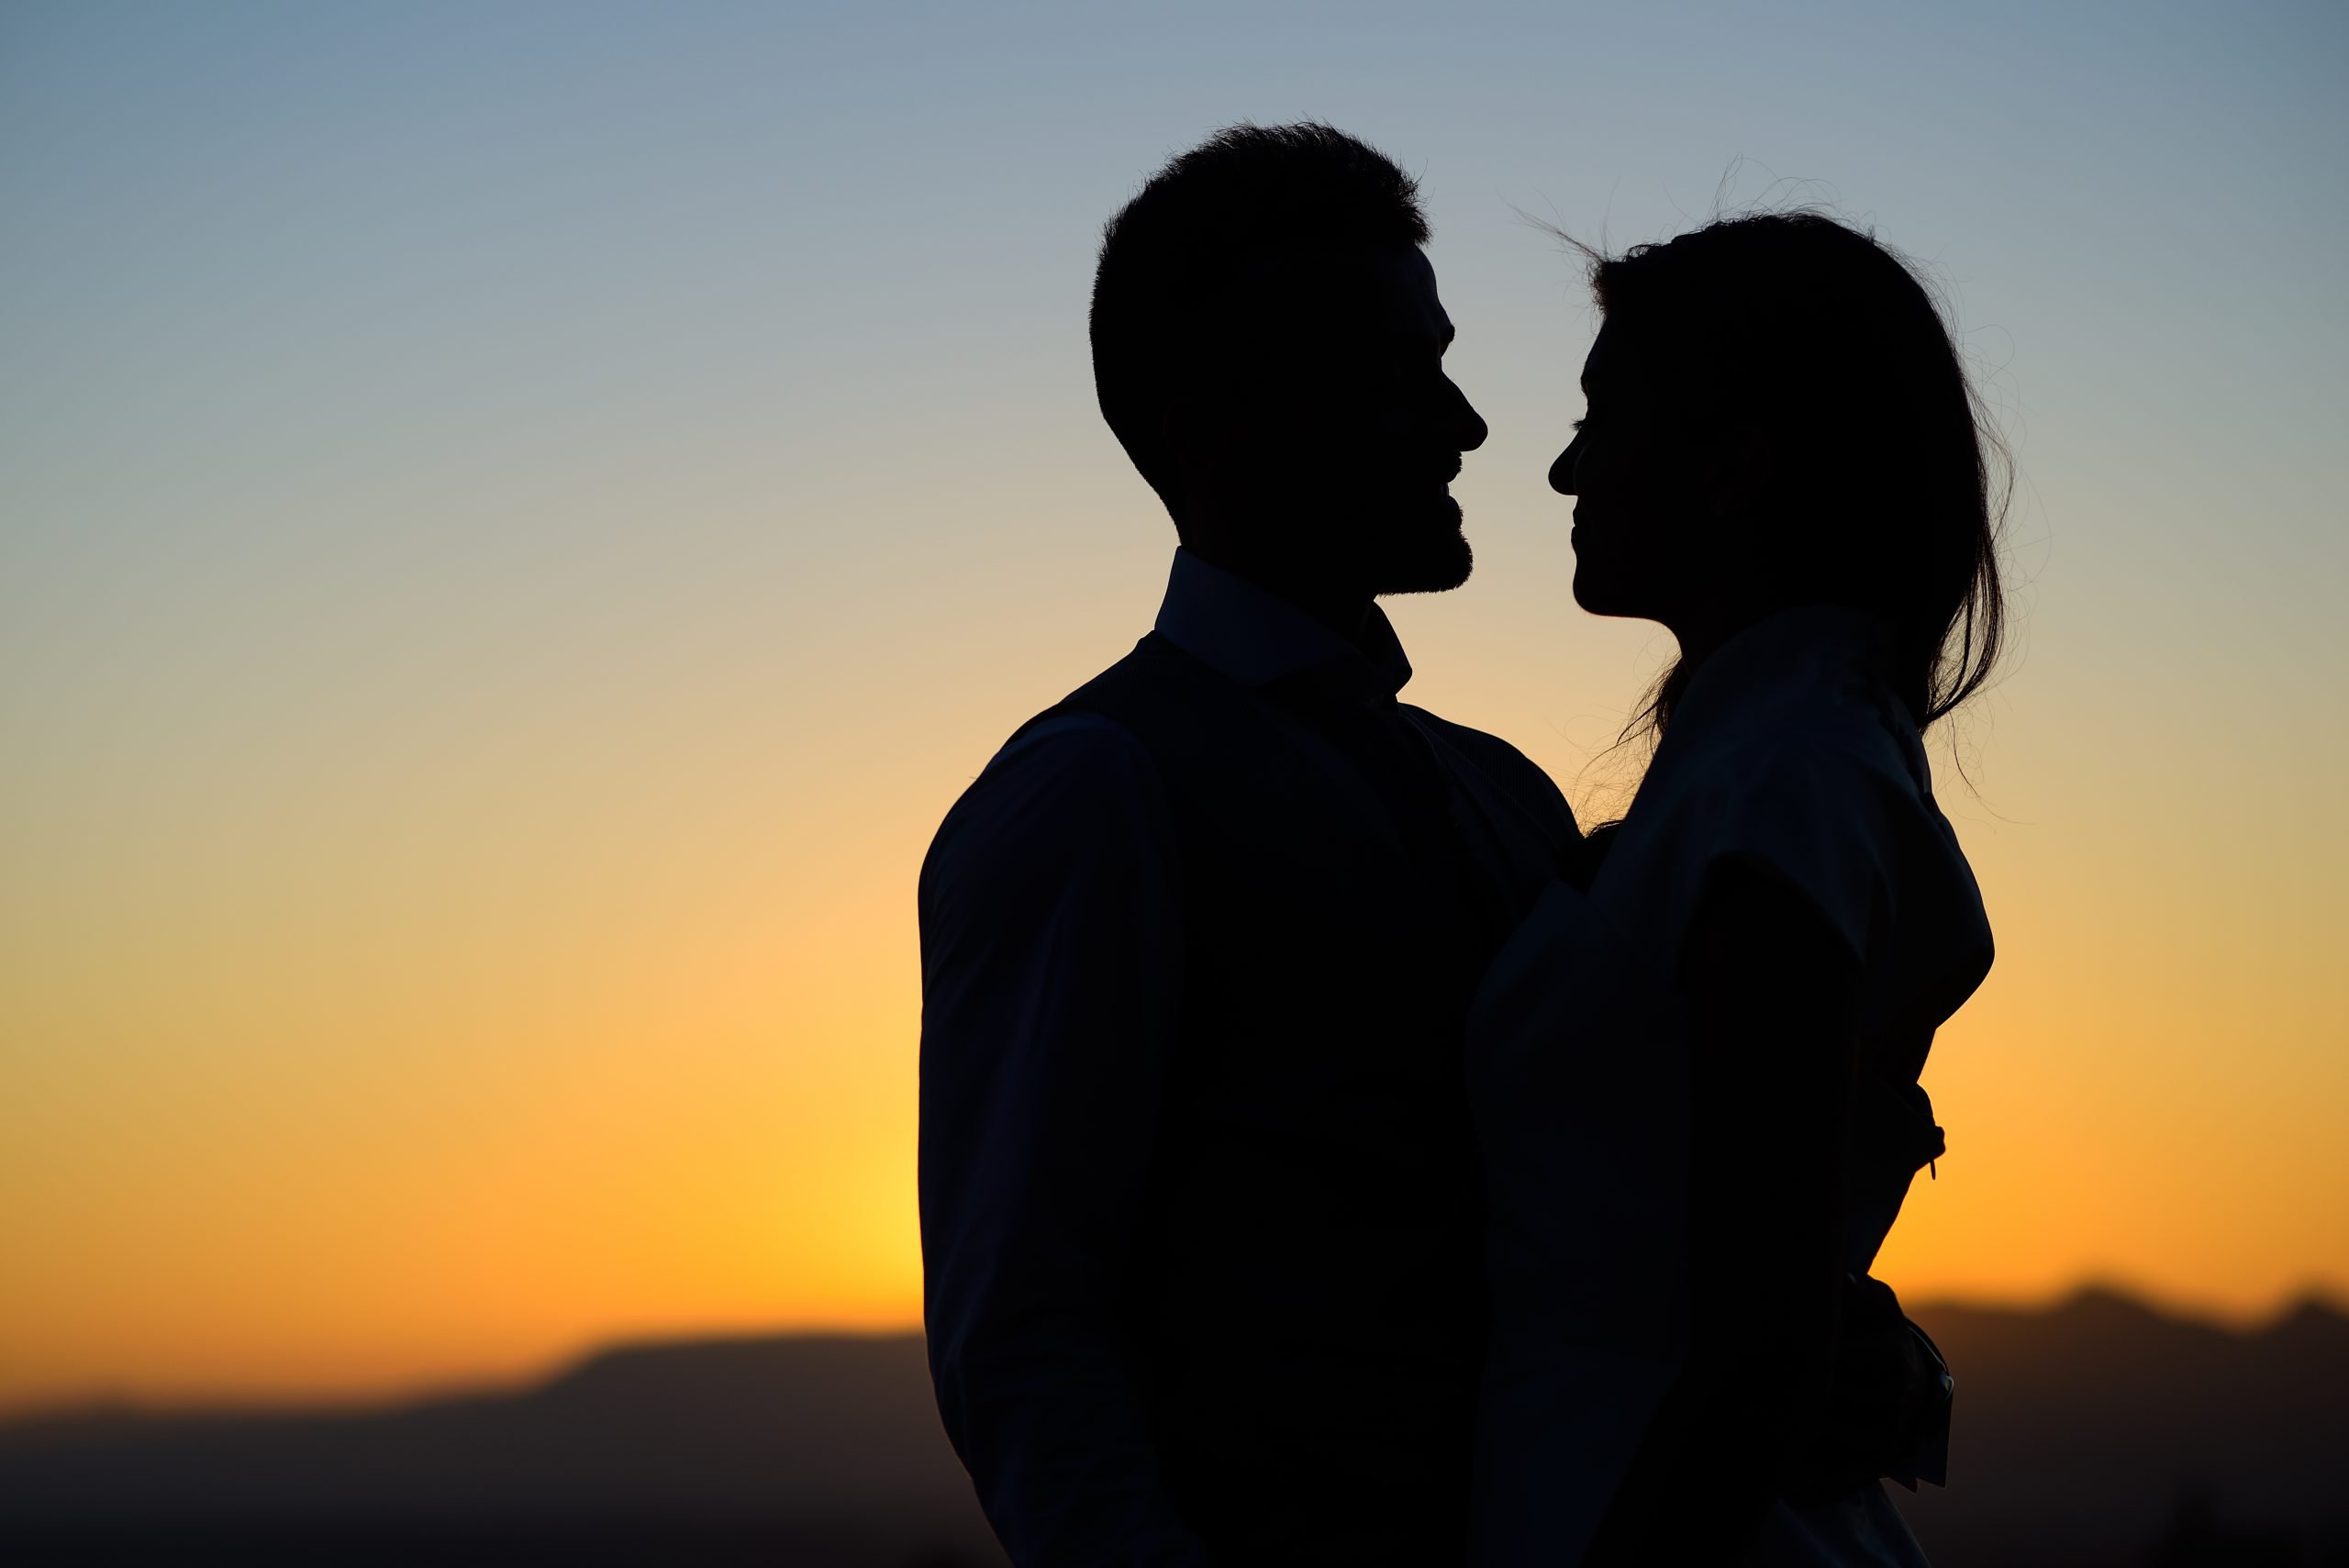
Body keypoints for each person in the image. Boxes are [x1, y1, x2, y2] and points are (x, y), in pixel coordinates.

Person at [918, 123, 1582, 1568]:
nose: (1467, 424)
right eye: (1403, 376)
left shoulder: (1507, 800)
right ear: (1236, 411)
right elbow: (1022, 1334)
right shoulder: (1094, 793)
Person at [1465, 210, 2006, 1567]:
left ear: (1734, 474)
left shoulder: (1780, 791)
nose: (1562, 465)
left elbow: (1759, 1345)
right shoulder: (1773, 768)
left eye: (1603, 420)